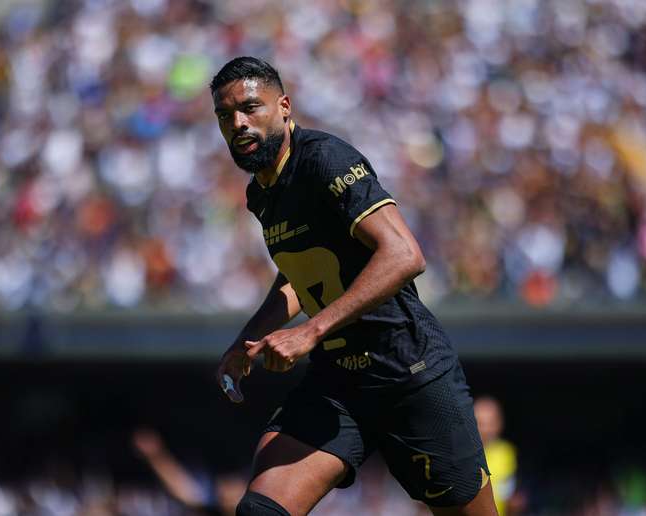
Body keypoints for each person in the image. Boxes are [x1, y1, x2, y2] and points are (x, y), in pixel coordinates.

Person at [213, 56, 498, 516]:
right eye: (225, 115)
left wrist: (310, 331)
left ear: (284, 106)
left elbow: (405, 255)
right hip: (339, 382)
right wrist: (246, 341)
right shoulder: (261, 192)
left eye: (251, 107)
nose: (239, 123)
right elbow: (299, 277)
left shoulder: (325, 159)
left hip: (408, 370)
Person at [473, 397, 525, 516]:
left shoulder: (508, 453)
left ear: (499, 424)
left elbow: (511, 494)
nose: (485, 429)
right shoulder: (460, 454)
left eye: (490, 423)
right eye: (480, 423)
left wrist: (515, 504)